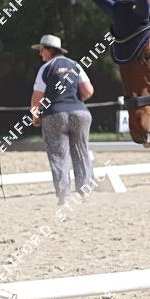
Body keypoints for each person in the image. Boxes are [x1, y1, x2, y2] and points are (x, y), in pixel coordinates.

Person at [30, 34, 95, 205]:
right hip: (80, 113)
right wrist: (73, 101)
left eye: (41, 50)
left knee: (58, 154)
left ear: (49, 50)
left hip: (54, 114)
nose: (40, 53)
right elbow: (88, 91)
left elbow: (36, 98)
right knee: (81, 152)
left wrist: (35, 117)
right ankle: (84, 192)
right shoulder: (75, 65)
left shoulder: (46, 68)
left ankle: (64, 196)